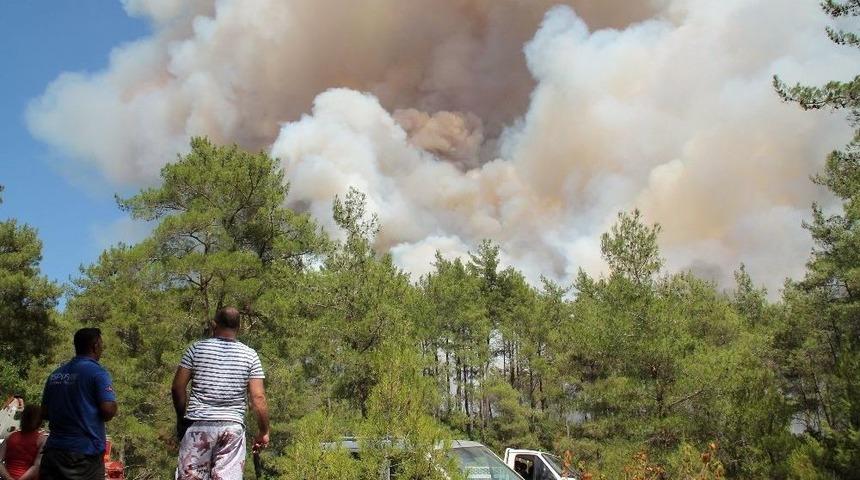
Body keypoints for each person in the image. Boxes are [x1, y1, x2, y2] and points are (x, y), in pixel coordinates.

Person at [172, 307, 269, 479]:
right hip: (231, 429)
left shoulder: (196, 349)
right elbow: (258, 398)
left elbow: (178, 387)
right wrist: (263, 431)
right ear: (239, 327)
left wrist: (181, 419)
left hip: (198, 425)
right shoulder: (250, 356)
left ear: (214, 325)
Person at [40, 328, 117, 480]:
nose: (102, 349)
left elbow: (44, 413)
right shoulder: (98, 373)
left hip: (54, 452)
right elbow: (108, 411)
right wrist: (113, 406)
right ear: (95, 346)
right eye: (101, 345)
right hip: (84, 457)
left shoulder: (55, 375)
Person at [0, 405, 45, 480]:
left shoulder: (10, 437)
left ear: (22, 418)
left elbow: (0, 461)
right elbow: (37, 466)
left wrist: (8, 478)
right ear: (40, 421)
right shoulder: (42, 440)